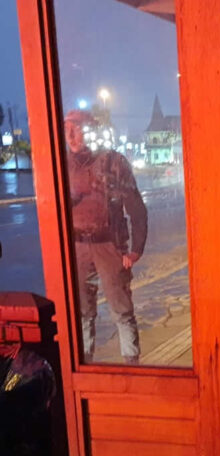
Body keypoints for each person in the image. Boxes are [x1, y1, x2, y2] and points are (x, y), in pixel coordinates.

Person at [64, 109, 147, 364]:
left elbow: (135, 207)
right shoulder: (63, 164)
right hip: (77, 247)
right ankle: (85, 365)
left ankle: (133, 369)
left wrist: (135, 249)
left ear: (89, 130)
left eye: (76, 127)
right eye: (67, 128)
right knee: (82, 313)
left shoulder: (113, 162)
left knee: (121, 310)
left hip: (109, 246)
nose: (70, 135)